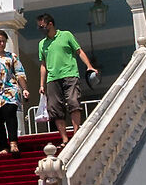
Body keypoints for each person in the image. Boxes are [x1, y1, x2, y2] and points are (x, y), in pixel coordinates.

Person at [34, 11, 98, 141]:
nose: (40, 29)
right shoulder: (42, 44)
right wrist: (42, 84)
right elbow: (43, 65)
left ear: (50, 24)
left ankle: (76, 133)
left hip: (70, 74)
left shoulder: (66, 35)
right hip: (52, 78)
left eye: (42, 26)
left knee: (73, 102)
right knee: (55, 108)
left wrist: (89, 66)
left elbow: (79, 51)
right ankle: (64, 138)